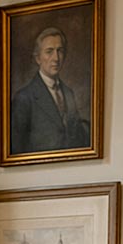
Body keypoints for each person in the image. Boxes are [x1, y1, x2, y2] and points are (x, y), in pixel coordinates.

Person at [9, 27, 89, 155]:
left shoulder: (68, 93)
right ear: (38, 58)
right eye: (49, 51)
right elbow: (17, 147)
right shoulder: (24, 98)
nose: (56, 58)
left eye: (60, 51)